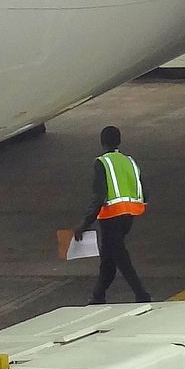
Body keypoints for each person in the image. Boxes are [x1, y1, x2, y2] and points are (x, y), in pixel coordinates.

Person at [77, 125, 151, 303]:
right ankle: (98, 296)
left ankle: (142, 294)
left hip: (111, 216)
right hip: (129, 215)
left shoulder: (102, 162)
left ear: (102, 142)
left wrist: (84, 224)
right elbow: (144, 191)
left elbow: (99, 196)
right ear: (119, 142)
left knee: (119, 255)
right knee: (109, 257)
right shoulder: (130, 161)